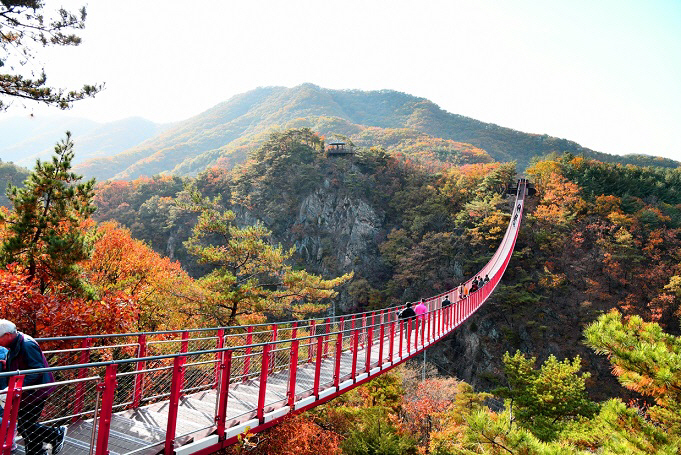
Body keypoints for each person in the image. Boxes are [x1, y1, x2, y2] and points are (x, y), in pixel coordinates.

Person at [0, 320, 66, 455]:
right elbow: (25, 364)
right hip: (29, 391)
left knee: (26, 425)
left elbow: (36, 370)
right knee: (26, 425)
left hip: (36, 391)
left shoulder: (26, 344)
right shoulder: (16, 343)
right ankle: (38, 452)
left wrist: (17, 387)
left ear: (7, 335)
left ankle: (56, 434)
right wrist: (8, 365)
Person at [0, 346, 17, 452]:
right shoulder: (4, 351)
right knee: (2, 412)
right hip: (3, 389)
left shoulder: (3, 352)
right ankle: (9, 441)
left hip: (2, 388)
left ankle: (10, 429)